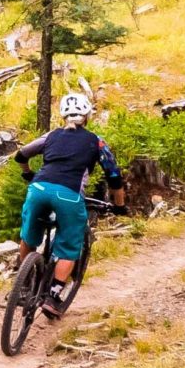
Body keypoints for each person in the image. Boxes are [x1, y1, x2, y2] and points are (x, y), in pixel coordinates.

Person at [12, 92, 124, 317]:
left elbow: (21, 155)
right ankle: (53, 297)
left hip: (38, 189)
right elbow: (113, 176)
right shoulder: (96, 141)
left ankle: (23, 286)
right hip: (69, 194)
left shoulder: (51, 135)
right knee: (70, 246)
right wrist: (119, 206)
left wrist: (28, 174)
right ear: (88, 116)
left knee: (29, 236)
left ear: (63, 115)